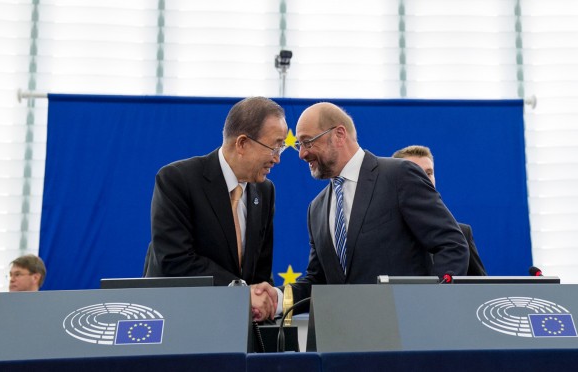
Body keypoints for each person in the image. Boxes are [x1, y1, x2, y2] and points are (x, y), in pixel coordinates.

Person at [254, 102, 469, 316]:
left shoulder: (398, 176)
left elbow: (451, 244)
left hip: (406, 333)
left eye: (307, 142)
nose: (302, 154)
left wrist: (431, 306)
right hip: (344, 340)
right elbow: (318, 281)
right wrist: (278, 298)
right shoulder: (316, 209)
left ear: (339, 135)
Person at [143, 96, 288, 321]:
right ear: (242, 143)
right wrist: (240, 292)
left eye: (282, 148)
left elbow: (260, 269)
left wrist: (262, 296)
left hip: (235, 325)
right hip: (176, 319)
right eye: (273, 147)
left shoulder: (265, 191)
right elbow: (175, 260)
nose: (277, 159)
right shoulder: (177, 180)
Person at [392, 145, 488, 276]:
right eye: (415, 172)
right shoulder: (381, 235)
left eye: (429, 173)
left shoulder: (462, 234)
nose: (424, 178)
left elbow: (481, 290)